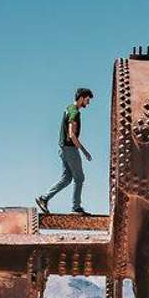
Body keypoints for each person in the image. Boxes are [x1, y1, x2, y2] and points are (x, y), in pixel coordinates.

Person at [37, 87, 96, 215]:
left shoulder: (69, 108)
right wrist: (84, 151)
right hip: (70, 149)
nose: (88, 103)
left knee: (67, 178)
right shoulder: (74, 112)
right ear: (81, 98)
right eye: (87, 100)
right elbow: (71, 135)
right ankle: (76, 207)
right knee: (79, 178)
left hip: (63, 148)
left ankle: (44, 198)